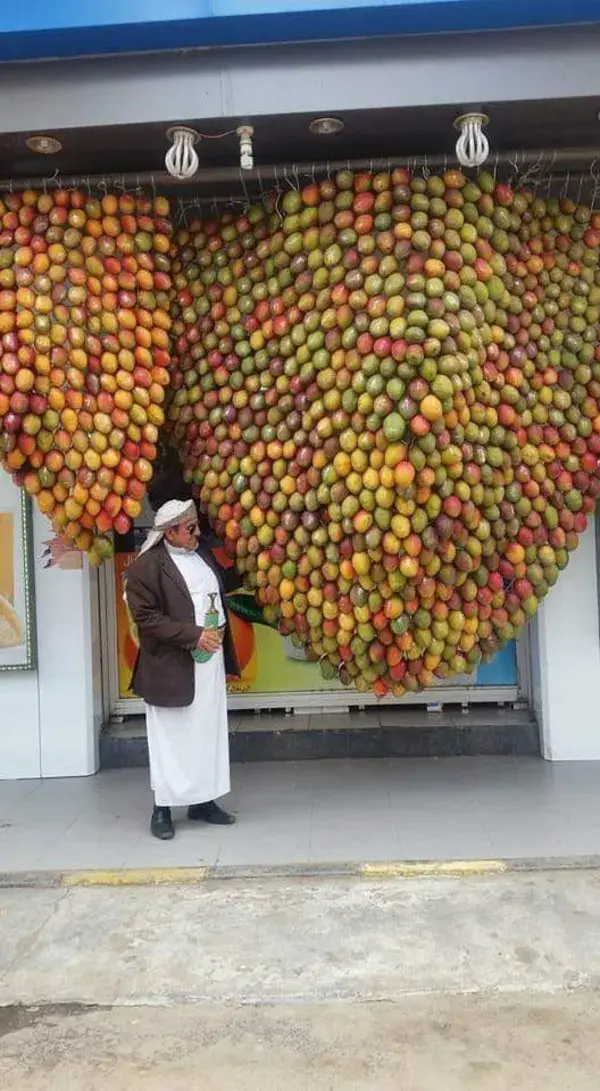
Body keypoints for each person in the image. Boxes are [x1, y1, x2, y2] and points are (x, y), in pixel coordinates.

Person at [125, 498, 240, 840]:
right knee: (171, 738)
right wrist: (194, 636)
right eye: (190, 528)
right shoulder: (146, 568)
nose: (197, 533)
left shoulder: (201, 555)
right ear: (170, 532)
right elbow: (147, 619)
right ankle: (162, 807)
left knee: (206, 731)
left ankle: (203, 801)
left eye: (195, 526)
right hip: (171, 667)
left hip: (208, 665)